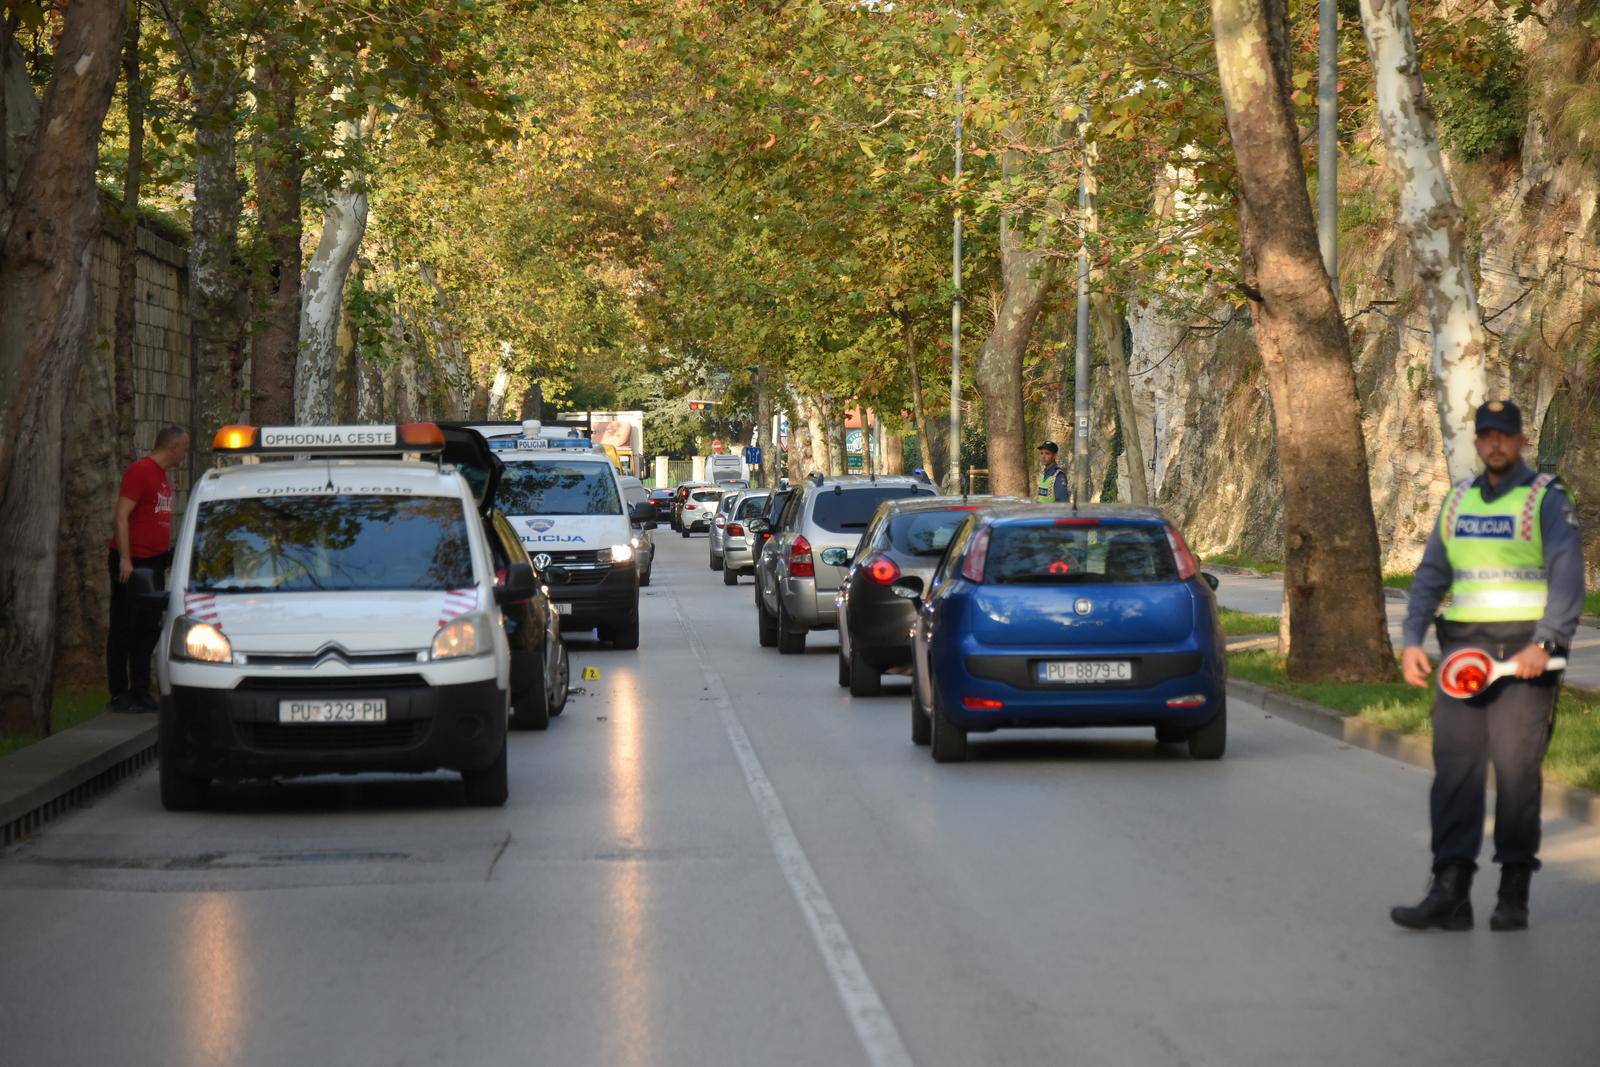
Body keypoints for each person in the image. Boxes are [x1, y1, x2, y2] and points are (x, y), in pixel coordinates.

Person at [1391, 400, 1583, 932]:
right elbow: (1431, 575)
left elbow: (1568, 576)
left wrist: (1544, 644)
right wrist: (1411, 640)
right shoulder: (1456, 501)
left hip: (1525, 657)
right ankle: (1450, 892)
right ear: (1476, 443)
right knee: (1455, 771)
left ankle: (1513, 892)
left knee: (1517, 773)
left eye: (1505, 435)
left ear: (1521, 441)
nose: (1495, 444)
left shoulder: (1546, 497)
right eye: (1486, 436)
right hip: (1463, 658)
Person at [106, 425, 189, 712]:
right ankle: (119, 693)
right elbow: (121, 515)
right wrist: (125, 559)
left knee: (148, 627)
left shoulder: (163, 477)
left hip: (153, 562)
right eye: (184, 447)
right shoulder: (141, 471)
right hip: (133, 562)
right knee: (124, 625)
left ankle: (140, 689)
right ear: (173, 446)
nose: (185, 454)